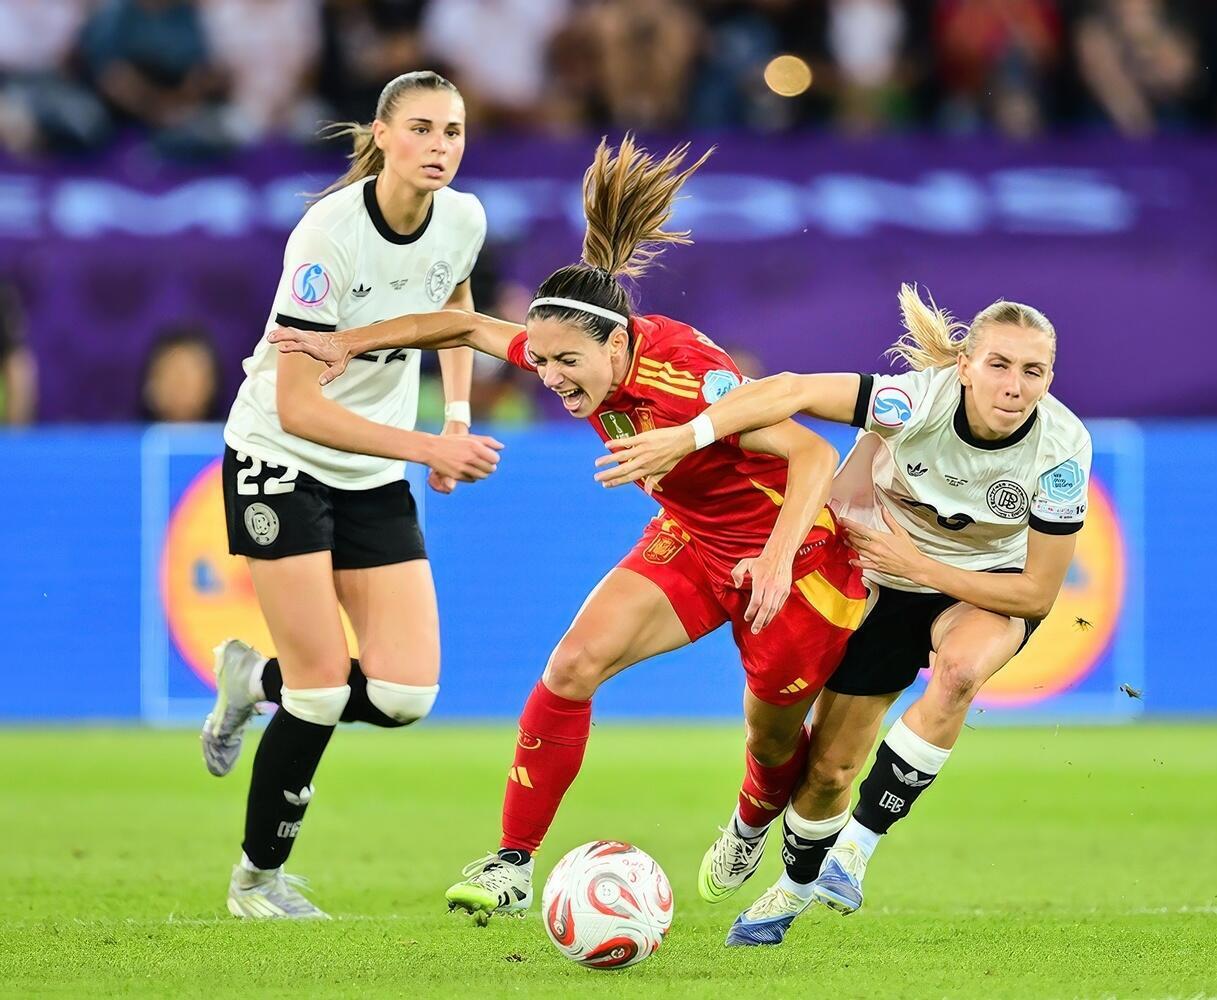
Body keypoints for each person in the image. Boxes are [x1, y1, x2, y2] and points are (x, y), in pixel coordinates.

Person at [268, 136, 869, 927]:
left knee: (771, 743)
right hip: (693, 541)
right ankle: (511, 863)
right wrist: (348, 341)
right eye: (542, 360)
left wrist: (778, 559)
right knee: (572, 665)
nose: (548, 377)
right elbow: (465, 326)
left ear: (616, 344)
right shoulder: (573, 341)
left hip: (797, 563)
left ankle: (752, 821)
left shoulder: (691, 379)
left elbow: (811, 453)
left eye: (564, 363)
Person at [597, 284, 1089, 945]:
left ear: (1049, 378)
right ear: (965, 367)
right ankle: (784, 867)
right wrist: (689, 436)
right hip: (881, 576)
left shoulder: (1062, 447)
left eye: (1033, 371)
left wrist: (924, 568)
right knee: (827, 770)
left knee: (960, 673)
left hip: (984, 584)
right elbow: (790, 389)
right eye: (998, 364)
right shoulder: (915, 402)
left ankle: (854, 850)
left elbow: (1035, 596)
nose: (1014, 386)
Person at [201, 70, 499, 919]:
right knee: (322, 690)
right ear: (381, 135)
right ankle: (256, 881)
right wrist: (428, 446)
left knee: (405, 697)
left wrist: (457, 411)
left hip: (369, 471)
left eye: (452, 131)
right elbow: (298, 404)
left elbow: (454, 304)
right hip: (280, 457)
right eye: (421, 129)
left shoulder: (464, 219)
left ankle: (249, 680)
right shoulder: (327, 237)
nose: (438, 146)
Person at [138, 324, 223, 423]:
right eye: (170, 373)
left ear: (211, 383)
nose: (179, 384)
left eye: (188, 373)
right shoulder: (129, 431)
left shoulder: (231, 431)